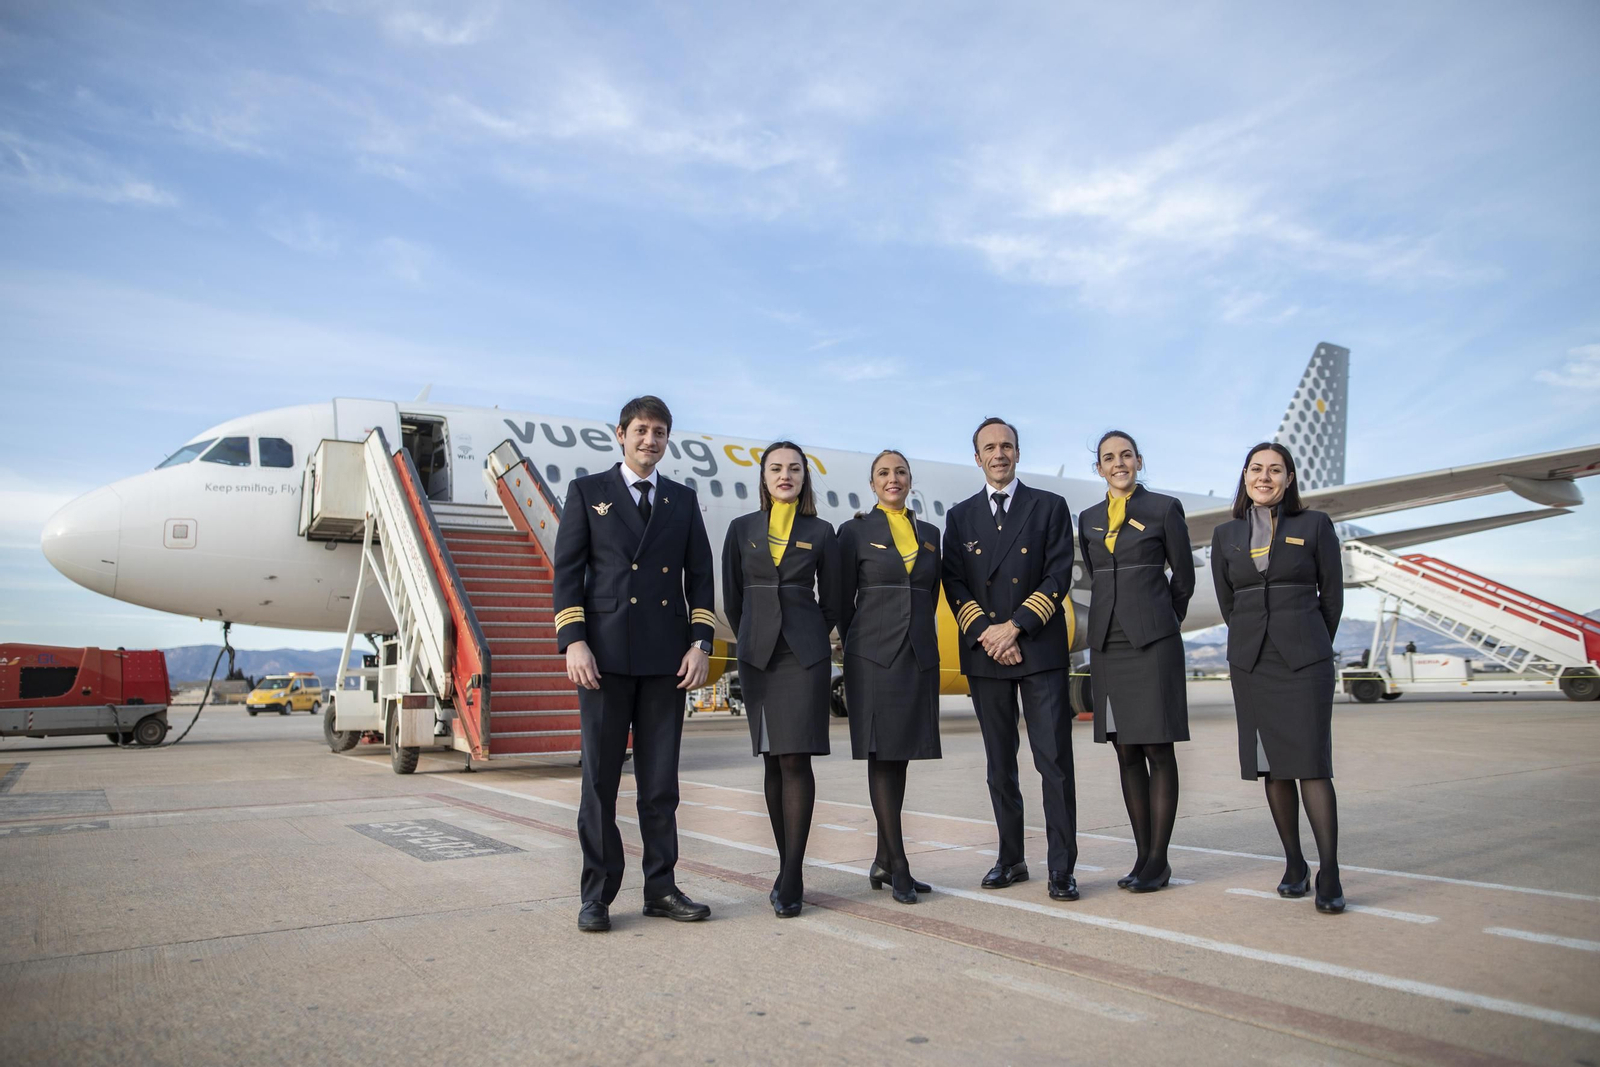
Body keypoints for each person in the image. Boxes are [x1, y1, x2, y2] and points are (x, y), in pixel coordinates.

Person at [554, 395, 719, 932]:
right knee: (599, 782)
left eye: (660, 433)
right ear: (621, 434)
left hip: (664, 658)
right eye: (642, 430)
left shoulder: (681, 499)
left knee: (659, 783)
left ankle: (661, 888)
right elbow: (567, 574)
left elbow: (700, 577)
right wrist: (573, 641)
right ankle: (597, 895)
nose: (651, 441)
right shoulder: (588, 493)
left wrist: (701, 644)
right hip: (601, 658)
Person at [941, 418, 1081, 901]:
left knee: (1054, 762)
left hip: (1037, 646)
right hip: (987, 655)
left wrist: (1015, 626)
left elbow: (1058, 573)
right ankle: (1011, 858)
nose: (998, 454)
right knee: (1000, 765)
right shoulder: (960, 517)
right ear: (976, 457)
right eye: (989, 448)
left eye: (1006, 446)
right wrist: (987, 633)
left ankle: (1062, 868)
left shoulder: (1049, 506)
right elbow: (954, 584)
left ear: (1017, 453)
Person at [1210, 441, 1346, 914]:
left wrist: (1310, 643)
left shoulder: (1314, 525)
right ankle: (1294, 863)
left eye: (1275, 470)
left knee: (1311, 764)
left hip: (1305, 662)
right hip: (1252, 662)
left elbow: (1332, 596)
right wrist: (1255, 638)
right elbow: (1229, 603)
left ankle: (1329, 869)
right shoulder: (1225, 534)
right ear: (1244, 476)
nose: (1264, 477)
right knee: (1272, 766)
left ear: (1289, 480)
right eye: (1256, 469)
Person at [722, 442, 840, 918]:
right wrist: (755, 634)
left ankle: (792, 875)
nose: (785, 475)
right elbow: (734, 599)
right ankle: (785, 865)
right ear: (764, 477)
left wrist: (808, 633)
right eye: (776, 468)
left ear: (804, 477)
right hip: (758, 655)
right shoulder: (741, 529)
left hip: (802, 655)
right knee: (772, 759)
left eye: (794, 468)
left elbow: (832, 600)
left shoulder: (821, 531)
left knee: (795, 758)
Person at [1078, 431, 1194, 893]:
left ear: (1139, 461)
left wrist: (1163, 621)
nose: (1118, 463)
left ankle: (1159, 861)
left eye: (1126, 455)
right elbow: (1093, 574)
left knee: (1157, 749)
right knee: (1125, 750)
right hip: (1108, 645)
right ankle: (1142, 855)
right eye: (1109, 458)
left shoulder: (1164, 509)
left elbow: (1183, 577)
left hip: (1153, 643)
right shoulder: (1087, 519)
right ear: (1100, 468)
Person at [837, 449, 943, 904]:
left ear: (910, 480)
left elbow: (933, 592)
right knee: (882, 755)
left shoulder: (932, 534)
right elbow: (841, 600)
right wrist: (862, 642)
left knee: (899, 756)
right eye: (884, 473)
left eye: (900, 472)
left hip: (917, 655)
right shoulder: (854, 532)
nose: (892, 478)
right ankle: (897, 862)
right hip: (873, 657)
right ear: (873, 483)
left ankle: (884, 857)